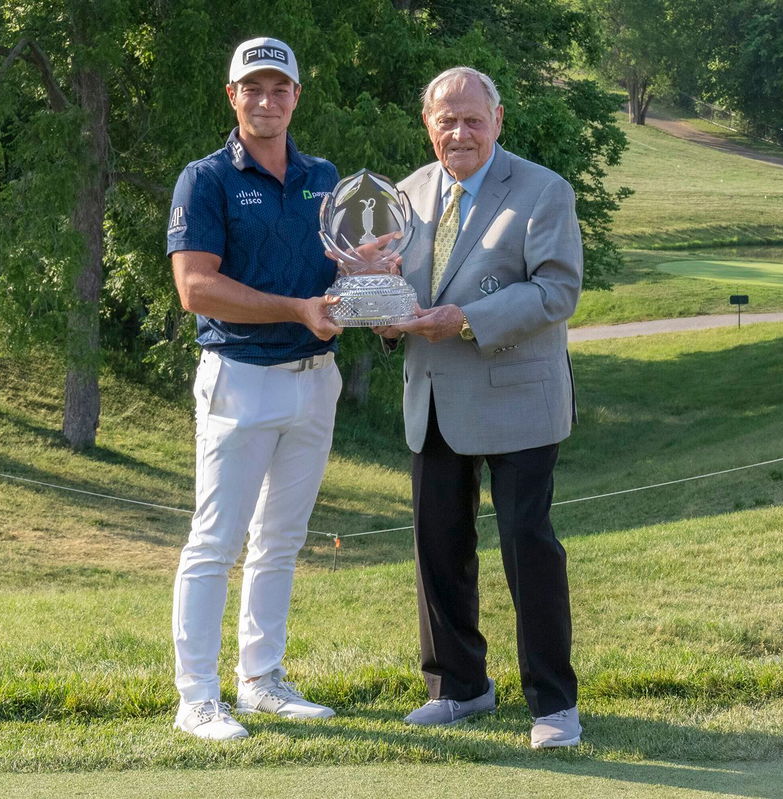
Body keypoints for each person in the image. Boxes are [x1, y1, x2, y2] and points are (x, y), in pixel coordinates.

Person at [378, 66, 584, 749]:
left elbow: (557, 290)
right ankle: (459, 686)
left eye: (472, 119)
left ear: (498, 121)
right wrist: (375, 307)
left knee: (528, 548)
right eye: (447, 121)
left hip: (518, 397)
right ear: (428, 125)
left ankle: (553, 704)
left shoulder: (542, 190)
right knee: (439, 547)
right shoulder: (404, 195)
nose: (459, 132)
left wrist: (466, 317)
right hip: (434, 398)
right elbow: (393, 290)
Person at [165, 36, 344, 741]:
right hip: (239, 378)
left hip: (313, 380)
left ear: (297, 96)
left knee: (280, 540)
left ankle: (262, 679)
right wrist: (296, 308)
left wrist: (372, 290)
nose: (266, 100)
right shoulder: (205, 179)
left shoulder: (324, 175)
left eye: (280, 88)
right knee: (215, 541)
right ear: (232, 95)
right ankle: (198, 697)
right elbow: (195, 287)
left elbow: (342, 270)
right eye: (253, 88)